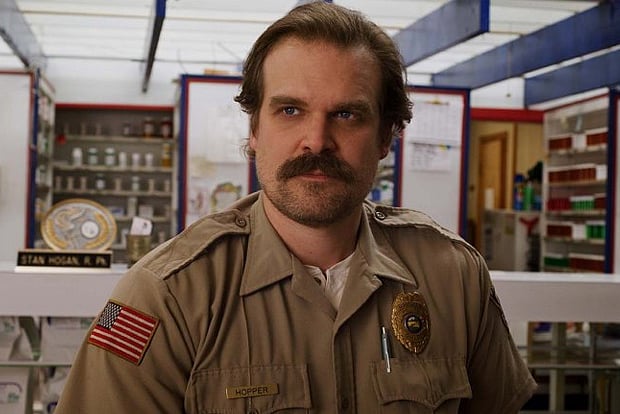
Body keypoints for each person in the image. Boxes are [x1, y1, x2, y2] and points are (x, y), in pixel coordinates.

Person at [55, 2, 536, 413]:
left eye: (346, 114)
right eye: (290, 110)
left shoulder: (454, 275)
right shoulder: (162, 294)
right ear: (255, 129)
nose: (317, 141)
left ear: (386, 137)